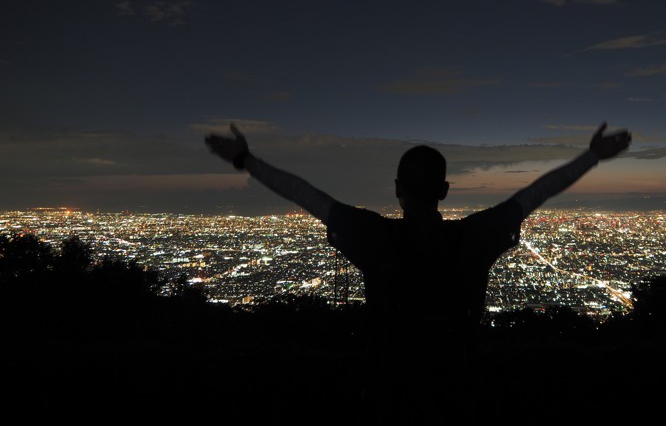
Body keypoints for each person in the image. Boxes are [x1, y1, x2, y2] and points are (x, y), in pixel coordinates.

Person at [205, 122, 631, 423]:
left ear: (396, 189)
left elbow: (305, 195)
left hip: (387, 396)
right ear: (444, 191)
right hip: (459, 395)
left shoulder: (374, 237)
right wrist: (592, 155)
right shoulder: (473, 238)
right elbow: (535, 193)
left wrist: (244, 159)